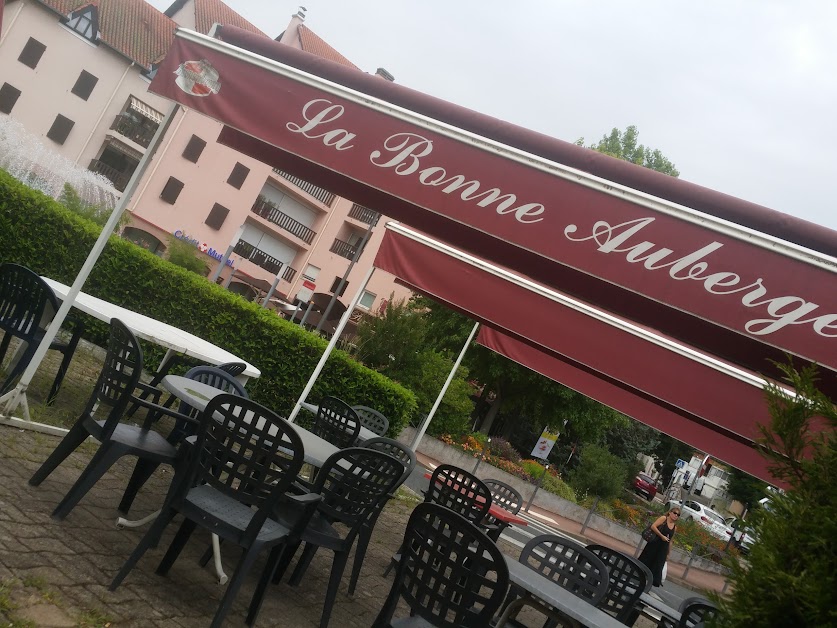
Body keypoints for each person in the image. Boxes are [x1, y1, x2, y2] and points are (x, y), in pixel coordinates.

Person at [638, 506, 680, 587]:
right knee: (647, 559)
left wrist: (668, 553)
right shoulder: (664, 518)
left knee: (658, 564)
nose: (676, 515)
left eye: (678, 515)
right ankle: (639, 573)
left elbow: (671, 541)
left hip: (663, 547)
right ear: (670, 512)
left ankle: (652, 581)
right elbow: (653, 526)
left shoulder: (675, 527)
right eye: (675, 513)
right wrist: (661, 536)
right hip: (655, 543)